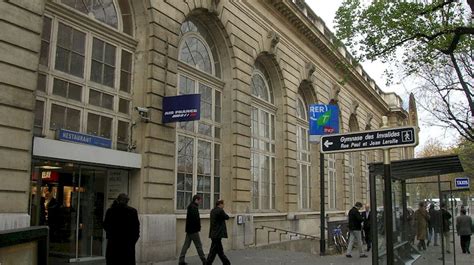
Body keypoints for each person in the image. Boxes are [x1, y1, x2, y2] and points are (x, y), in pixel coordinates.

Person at [103, 193, 140, 265]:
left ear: (118, 200)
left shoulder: (110, 211)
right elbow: (136, 228)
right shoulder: (132, 211)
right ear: (127, 201)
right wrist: (133, 240)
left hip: (113, 242)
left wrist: (110, 234)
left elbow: (105, 225)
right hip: (128, 243)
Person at [179, 195, 207, 265]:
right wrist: (198, 227)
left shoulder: (190, 206)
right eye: (200, 200)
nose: (201, 201)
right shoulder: (194, 207)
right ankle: (204, 261)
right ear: (196, 200)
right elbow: (195, 219)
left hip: (189, 230)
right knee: (199, 245)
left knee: (186, 245)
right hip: (193, 230)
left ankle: (181, 260)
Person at [206, 200, 231, 265]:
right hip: (218, 234)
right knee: (214, 251)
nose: (224, 206)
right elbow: (227, 217)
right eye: (223, 204)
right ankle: (208, 263)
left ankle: (226, 263)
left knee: (218, 250)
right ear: (220, 204)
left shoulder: (213, 210)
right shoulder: (220, 211)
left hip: (213, 233)